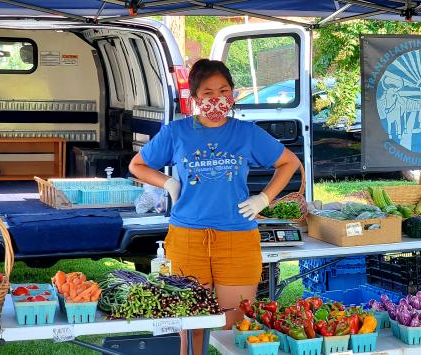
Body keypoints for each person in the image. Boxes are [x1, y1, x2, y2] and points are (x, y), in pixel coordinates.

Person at [128, 59, 300, 354]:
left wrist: (264, 198)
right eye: (207, 92)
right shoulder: (176, 132)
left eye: (224, 90)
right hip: (187, 238)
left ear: (233, 94)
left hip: (236, 238)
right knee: (192, 327)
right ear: (194, 98)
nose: (217, 98)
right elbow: (138, 165)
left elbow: (289, 162)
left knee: (232, 324)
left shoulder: (246, 133)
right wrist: (168, 183)